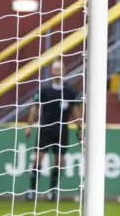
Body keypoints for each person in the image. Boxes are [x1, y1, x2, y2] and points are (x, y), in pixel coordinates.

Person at [24, 60, 82, 201]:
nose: (57, 71)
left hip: (62, 130)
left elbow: (75, 111)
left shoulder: (70, 91)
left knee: (58, 161)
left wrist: (80, 129)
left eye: (60, 69)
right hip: (45, 128)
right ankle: (32, 190)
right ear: (51, 71)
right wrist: (29, 126)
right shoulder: (44, 90)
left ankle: (53, 190)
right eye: (55, 69)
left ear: (64, 71)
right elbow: (35, 107)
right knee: (38, 158)